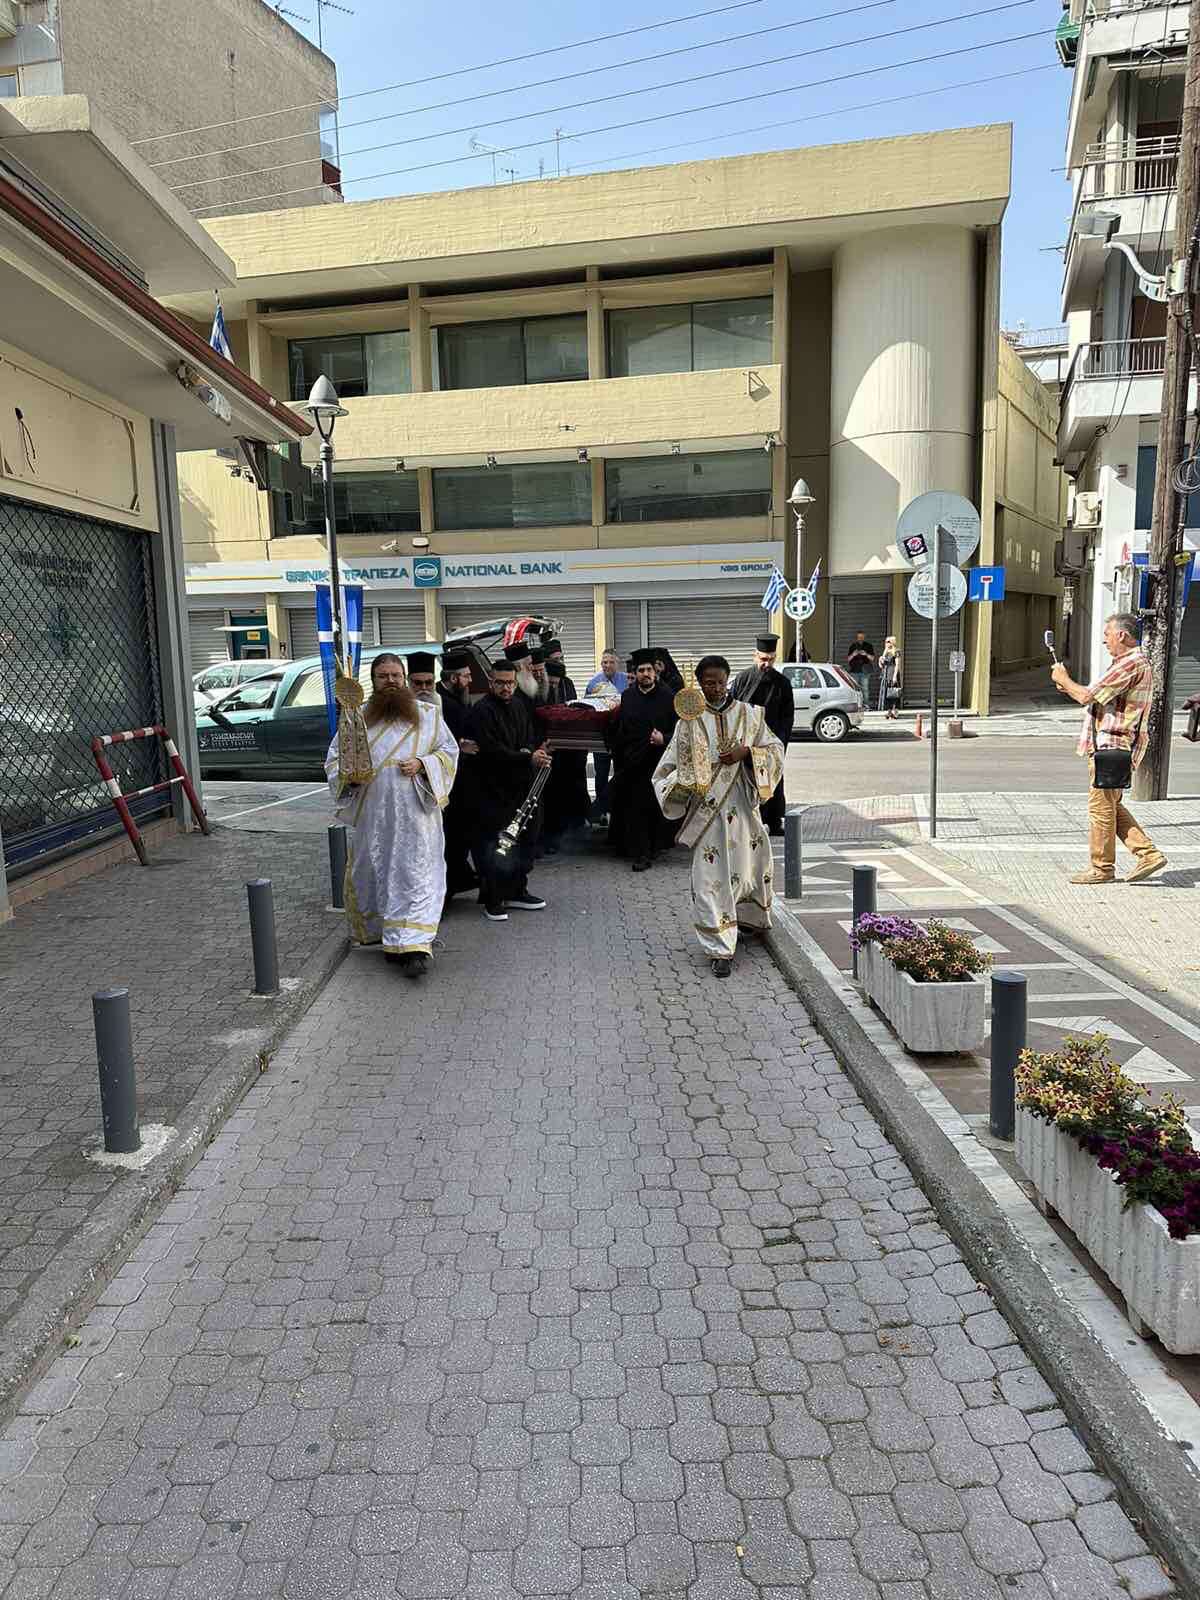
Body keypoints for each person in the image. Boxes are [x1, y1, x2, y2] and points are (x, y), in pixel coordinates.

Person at [326, 652, 458, 978]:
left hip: (417, 818)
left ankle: (415, 947)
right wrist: (349, 777)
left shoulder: (428, 715)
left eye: (396, 675)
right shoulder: (357, 719)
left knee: (416, 875)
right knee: (380, 874)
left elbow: (449, 752)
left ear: (404, 678)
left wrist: (423, 764)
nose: (390, 681)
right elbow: (334, 761)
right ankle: (391, 939)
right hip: (375, 818)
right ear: (373, 680)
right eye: (383, 676)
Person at [653, 655, 783, 978]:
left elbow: (775, 750)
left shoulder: (750, 715)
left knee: (749, 867)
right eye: (708, 683)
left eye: (720, 682)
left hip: (743, 807)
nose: (715, 688)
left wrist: (747, 753)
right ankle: (719, 947)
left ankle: (747, 920)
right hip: (707, 815)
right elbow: (666, 770)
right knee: (710, 879)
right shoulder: (689, 721)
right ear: (699, 683)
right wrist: (686, 782)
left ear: (728, 680)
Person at [1050, 612, 1167, 885]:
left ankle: (1102, 868)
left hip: (1113, 744)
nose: (1105, 641)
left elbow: (1086, 696)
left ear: (1122, 635)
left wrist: (1065, 679)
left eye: (1107, 635)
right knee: (1110, 804)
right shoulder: (1129, 663)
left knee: (1101, 808)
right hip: (1114, 745)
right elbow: (1096, 695)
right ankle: (1147, 854)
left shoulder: (1130, 663)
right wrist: (1068, 686)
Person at [466, 657, 551, 919]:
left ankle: (516, 891)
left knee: (525, 838)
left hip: (520, 787)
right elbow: (491, 750)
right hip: (493, 790)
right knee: (497, 844)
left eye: (511, 683)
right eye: (501, 683)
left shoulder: (519, 705)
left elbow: (528, 737)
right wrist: (527, 757)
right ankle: (493, 899)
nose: (506, 688)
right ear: (491, 682)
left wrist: (533, 751)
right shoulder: (482, 710)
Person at [607, 647, 678, 871]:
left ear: (655, 672)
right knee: (635, 809)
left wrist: (663, 738)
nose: (645, 674)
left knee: (654, 808)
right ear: (635, 673)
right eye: (640, 670)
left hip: (659, 764)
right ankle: (641, 854)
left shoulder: (668, 696)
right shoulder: (628, 696)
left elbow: (680, 731)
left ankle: (654, 847)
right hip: (634, 763)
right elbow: (623, 729)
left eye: (648, 670)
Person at [731, 633, 795, 836]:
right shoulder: (742, 679)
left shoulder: (782, 683)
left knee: (772, 782)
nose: (767, 664)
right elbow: (732, 708)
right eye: (763, 659)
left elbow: (787, 717)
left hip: (770, 743)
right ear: (755, 655)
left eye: (771, 660)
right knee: (747, 783)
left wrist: (779, 743)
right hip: (745, 743)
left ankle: (774, 822)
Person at [437, 651, 480, 903]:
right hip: (448, 783)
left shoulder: (457, 698)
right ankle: (449, 888)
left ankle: (460, 876)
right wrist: (460, 746)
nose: (470, 680)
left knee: (460, 834)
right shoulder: (442, 703)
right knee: (452, 836)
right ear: (453, 678)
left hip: (462, 779)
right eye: (466, 676)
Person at [542, 657, 590, 850]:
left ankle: (572, 826)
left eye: (556, 683)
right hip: (549, 747)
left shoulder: (566, 684)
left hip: (567, 748)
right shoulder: (540, 689)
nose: (554, 685)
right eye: (551, 682)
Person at [584, 650, 628, 823]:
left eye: (611, 662)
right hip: (601, 736)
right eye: (604, 662)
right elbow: (587, 709)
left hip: (621, 736)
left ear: (618, 663)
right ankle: (600, 812)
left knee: (620, 773)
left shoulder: (627, 680)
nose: (607, 665)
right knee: (600, 773)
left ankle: (618, 809)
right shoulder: (593, 683)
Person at [846, 632, 876, 704]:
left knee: (865, 689)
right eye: (859, 637)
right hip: (854, 671)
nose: (860, 639)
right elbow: (848, 659)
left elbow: (872, 658)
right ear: (857, 638)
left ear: (864, 637)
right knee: (855, 689)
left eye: (862, 637)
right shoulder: (853, 646)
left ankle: (866, 704)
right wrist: (853, 654)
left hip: (865, 671)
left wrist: (866, 654)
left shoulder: (869, 646)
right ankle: (857, 704)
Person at [877, 636, 902, 719]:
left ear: (892, 642)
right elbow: (881, 666)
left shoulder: (896, 651)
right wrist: (880, 659)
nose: (886, 643)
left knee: (894, 693)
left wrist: (895, 676)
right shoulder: (886, 652)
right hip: (886, 674)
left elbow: (897, 665)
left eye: (888, 642)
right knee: (887, 694)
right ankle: (889, 711)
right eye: (886, 642)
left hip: (893, 673)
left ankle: (895, 711)